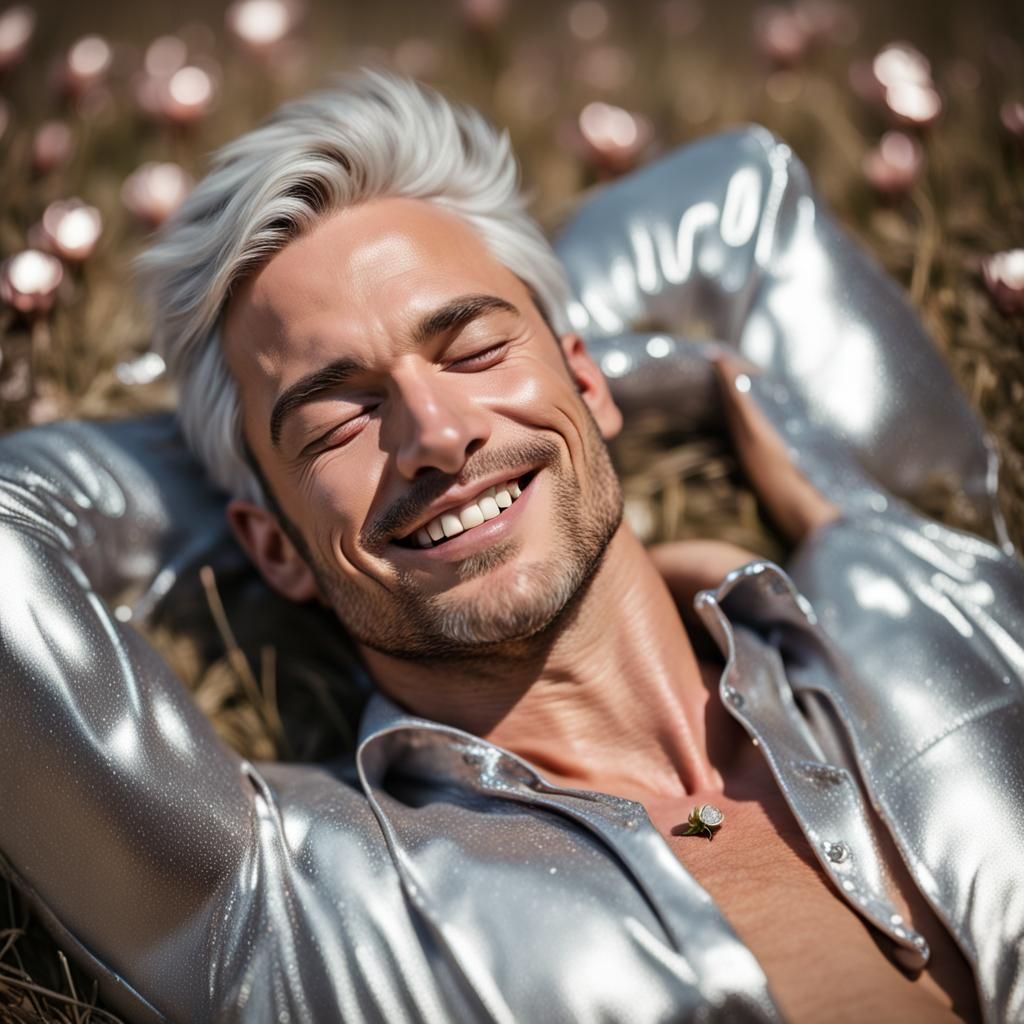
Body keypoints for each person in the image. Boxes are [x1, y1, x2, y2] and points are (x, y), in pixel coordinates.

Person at [2, 70, 1020, 1023]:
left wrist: (657, 380)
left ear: (588, 378)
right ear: (269, 548)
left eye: (477, 348)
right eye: (335, 420)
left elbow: (740, 195)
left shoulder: (921, 584)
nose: (437, 435)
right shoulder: (287, 899)